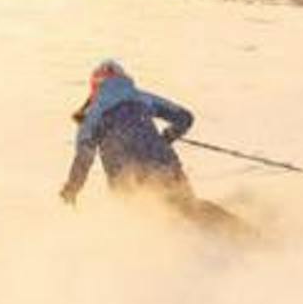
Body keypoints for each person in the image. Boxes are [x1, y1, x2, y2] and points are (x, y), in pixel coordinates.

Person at [61, 59, 238, 231]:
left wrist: (72, 189)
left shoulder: (93, 115)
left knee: (146, 226)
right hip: (164, 164)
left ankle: (184, 256)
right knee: (190, 209)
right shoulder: (141, 97)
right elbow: (184, 117)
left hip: (126, 179)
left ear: (94, 88)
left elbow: (84, 157)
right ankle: (243, 234)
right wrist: (166, 138)